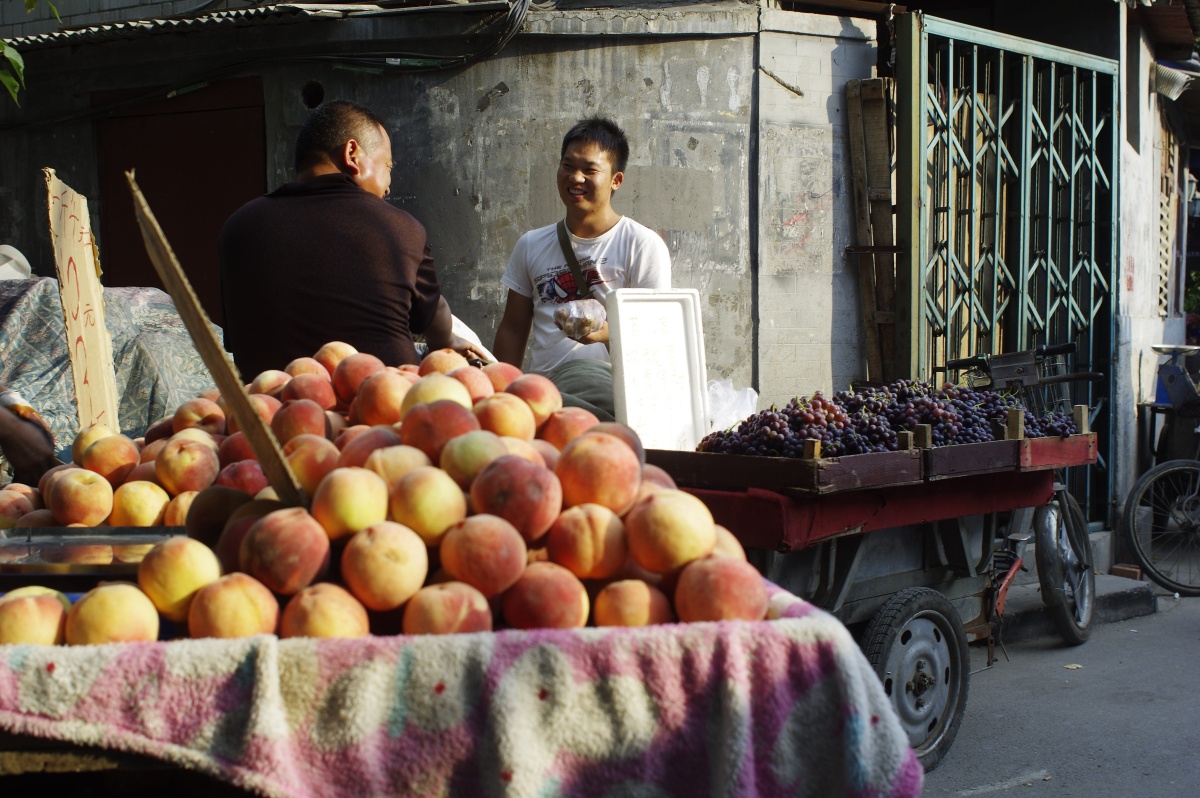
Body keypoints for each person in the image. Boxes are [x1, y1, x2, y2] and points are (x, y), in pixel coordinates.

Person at [219, 100, 482, 378]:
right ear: (352, 154)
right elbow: (433, 316)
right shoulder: (398, 227)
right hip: (384, 396)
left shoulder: (237, 227)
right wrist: (447, 342)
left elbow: (237, 340)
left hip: (269, 398)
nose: (388, 187)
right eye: (387, 166)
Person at [492, 117, 671, 420]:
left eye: (590, 170)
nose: (576, 178)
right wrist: (498, 394)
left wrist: (606, 334)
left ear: (616, 180)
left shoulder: (642, 245)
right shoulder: (531, 244)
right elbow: (513, 327)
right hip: (545, 400)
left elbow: (656, 335)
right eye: (568, 165)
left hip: (612, 402)